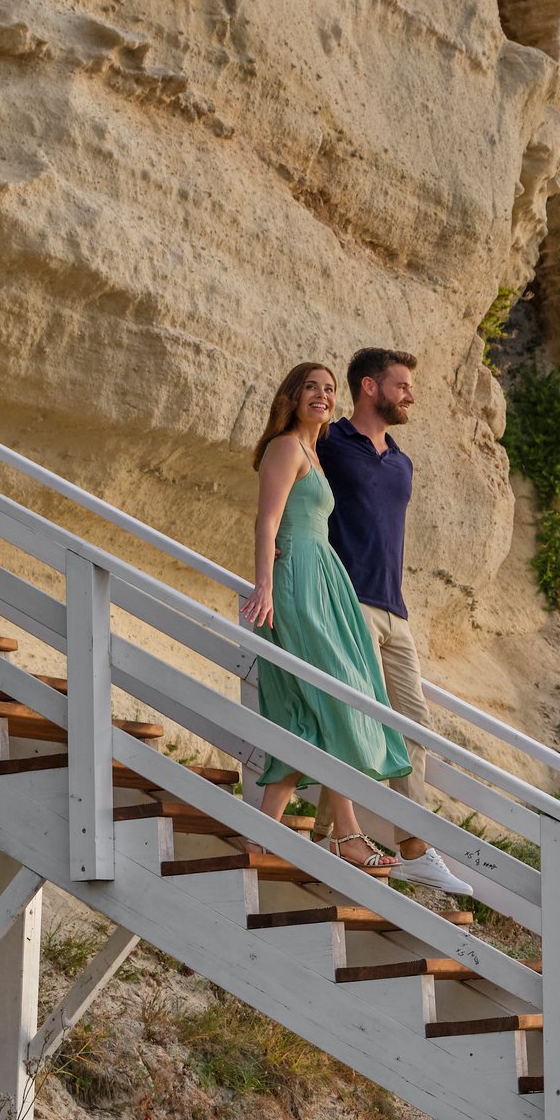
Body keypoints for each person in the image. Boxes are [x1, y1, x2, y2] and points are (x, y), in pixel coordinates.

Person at [318, 346, 473, 896]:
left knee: (412, 728)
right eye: (402, 385)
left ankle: (334, 836)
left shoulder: (401, 461)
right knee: (357, 721)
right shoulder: (331, 443)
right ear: (369, 387)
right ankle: (411, 847)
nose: (411, 395)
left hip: (395, 611)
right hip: (349, 602)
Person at [240, 363, 406, 866]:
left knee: (307, 710)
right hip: (297, 580)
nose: (322, 395)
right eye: (311, 387)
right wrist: (265, 584)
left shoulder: (314, 451)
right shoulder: (285, 448)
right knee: (338, 694)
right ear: (292, 396)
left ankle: (263, 834)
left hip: (325, 579)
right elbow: (266, 522)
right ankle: (346, 835)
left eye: (329, 389)